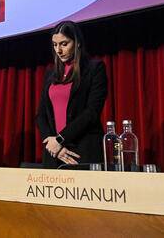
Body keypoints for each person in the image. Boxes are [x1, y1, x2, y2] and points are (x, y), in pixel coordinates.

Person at [36, 21, 109, 168]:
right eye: (55, 45)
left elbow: (92, 112)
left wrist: (60, 139)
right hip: (54, 152)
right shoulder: (50, 73)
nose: (58, 50)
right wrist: (51, 143)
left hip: (83, 150)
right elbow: (41, 115)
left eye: (64, 44)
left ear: (77, 43)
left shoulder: (94, 69)